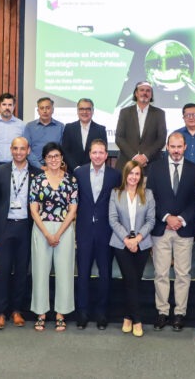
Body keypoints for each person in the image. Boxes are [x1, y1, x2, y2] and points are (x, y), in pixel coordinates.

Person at [147, 132, 195, 332]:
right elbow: (150, 197)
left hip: (184, 229)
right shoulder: (155, 168)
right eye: (173, 146)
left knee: (183, 274)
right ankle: (162, 312)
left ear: (185, 147)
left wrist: (181, 219)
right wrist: (166, 217)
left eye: (179, 147)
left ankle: (179, 313)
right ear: (167, 147)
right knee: (160, 273)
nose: (176, 150)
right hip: (161, 228)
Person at [0, 137, 41, 330]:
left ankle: (17, 310)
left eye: (22, 149)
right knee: (3, 270)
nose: (19, 152)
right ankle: (0, 312)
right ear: (11, 150)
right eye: (15, 148)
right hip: (5, 227)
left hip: (26, 227)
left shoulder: (37, 174)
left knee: (21, 271)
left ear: (28, 150)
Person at [29, 143, 79, 332]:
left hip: (64, 229)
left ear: (62, 158)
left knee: (65, 271)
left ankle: (61, 313)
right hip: (41, 228)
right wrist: (47, 233)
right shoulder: (37, 180)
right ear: (44, 159)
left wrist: (57, 234)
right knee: (40, 271)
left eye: (57, 156)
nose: (53, 160)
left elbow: (73, 210)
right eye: (50, 156)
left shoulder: (71, 180)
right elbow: (33, 209)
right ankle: (41, 313)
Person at [72, 139, 121, 330]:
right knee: (83, 273)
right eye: (94, 152)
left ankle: (102, 314)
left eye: (101, 152)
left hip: (106, 231)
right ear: (90, 154)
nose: (98, 156)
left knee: (105, 274)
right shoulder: (79, 173)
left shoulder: (115, 175)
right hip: (84, 230)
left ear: (106, 155)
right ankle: (82, 313)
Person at [108, 161, 156, 337]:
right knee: (130, 280)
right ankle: (137, 320)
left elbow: (151, 220)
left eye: (137, 174)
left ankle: (127, 317)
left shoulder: (148, 194)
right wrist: (127, 240)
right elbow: (113, 219)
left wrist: (137, 239)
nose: (133, 177)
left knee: (135, 281)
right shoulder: (116, 193)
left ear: (141, 176)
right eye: (131, 173)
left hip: (142, 244)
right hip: (121, 244)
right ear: (125, 174)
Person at [115, 81, 167, 169]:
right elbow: (119, 138)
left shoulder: (159, 113)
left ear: (151, 95)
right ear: (136, 93)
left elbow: (161, 139)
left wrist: (145, 157)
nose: (145, 93)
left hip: (151, 164)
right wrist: (135, 157)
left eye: (148, 91)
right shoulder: (125, 112)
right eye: (142, 90)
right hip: (127, 163)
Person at [61, 98, 107, 174]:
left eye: (88, 109)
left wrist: (90, 168)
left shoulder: (101, 130)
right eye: (81, 109)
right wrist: (75, 167)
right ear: (77, 111)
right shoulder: (69, 128)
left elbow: (103, 152)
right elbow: (65, 150)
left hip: (94, 172)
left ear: (93, 111)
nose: (85, 112)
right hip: (73, 172)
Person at [0, 92, 25, 172]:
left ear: (14, 106)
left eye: (10, 105)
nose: (7, 107)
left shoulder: (21, 125)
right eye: (4, 104)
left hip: (14, 166)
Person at [26, 97, 65, 169]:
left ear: (52, 110)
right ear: (38, 111)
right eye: (42, 108)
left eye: (48, 108)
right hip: (34, 167)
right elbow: (27, 149)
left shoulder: (60, 127)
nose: (45, 111)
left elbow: (63, 149)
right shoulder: (29, 127)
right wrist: (39, 166)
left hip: (55, 167)